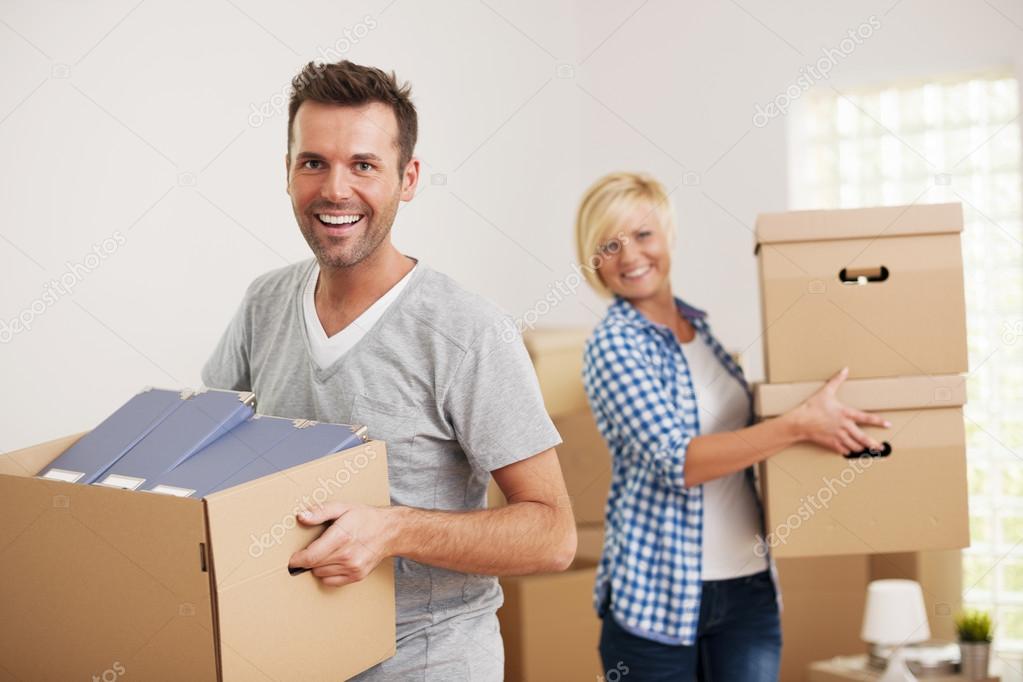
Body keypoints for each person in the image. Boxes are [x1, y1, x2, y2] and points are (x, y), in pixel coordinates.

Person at [201, 60, 577, 680]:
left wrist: (394, 529)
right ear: (288, 172)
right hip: (285, 653)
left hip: (425, 660)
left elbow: (553, 533)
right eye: (313, 162)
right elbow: (206, 457)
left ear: (408, 179)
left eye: (364, 165)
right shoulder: (263, 304)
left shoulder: (468, 332)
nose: (335, 190)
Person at [574, 172, 890, 681]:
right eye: (609, 244)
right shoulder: (613, 346)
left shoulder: (702, 333)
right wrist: (799, 424)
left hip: (747, 588)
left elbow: (743, 439)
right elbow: (679, 461)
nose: (630, 255)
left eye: (643, 235)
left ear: (668, 235)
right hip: (657, 600)